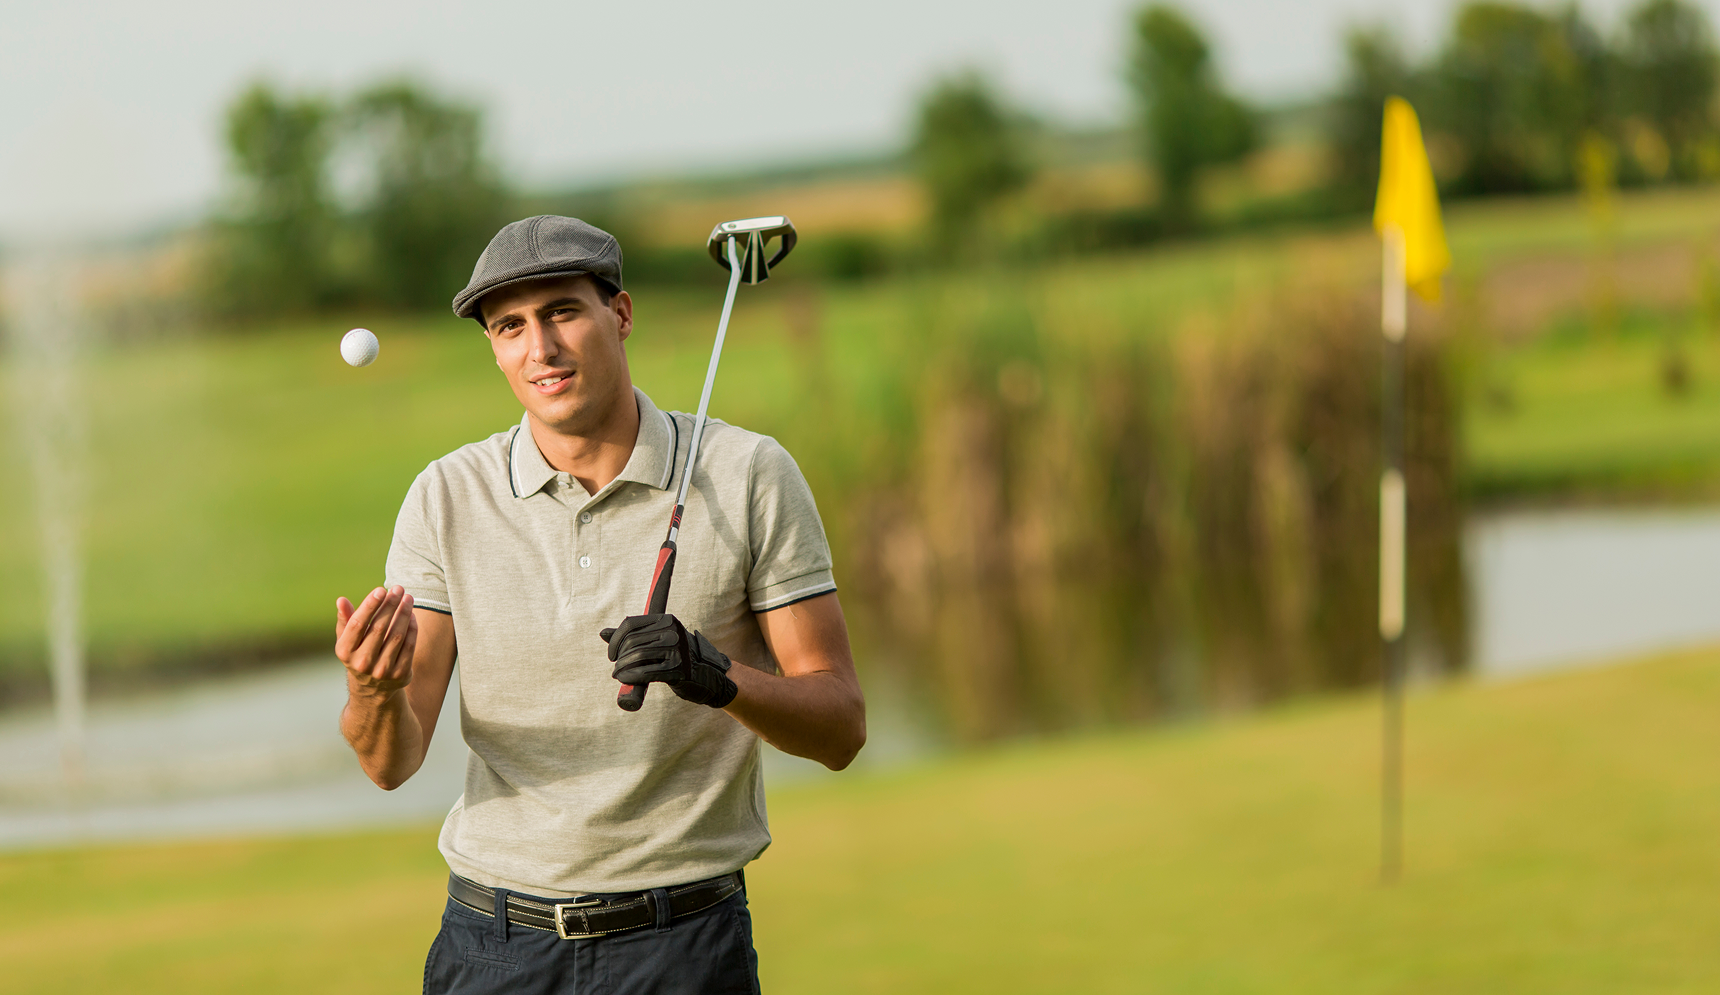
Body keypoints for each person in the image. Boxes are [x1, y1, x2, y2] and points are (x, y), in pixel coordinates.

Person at [333, 215, 865, 995]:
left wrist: (716, 676)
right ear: (494, 348)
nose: (540, 348)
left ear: (619, 314)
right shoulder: (445, 495)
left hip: (683, 947)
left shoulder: (748, 472)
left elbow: (841, 726)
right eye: (511, 326)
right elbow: (390, 763)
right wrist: (371, 691)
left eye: (562, 312)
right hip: (493, 947)